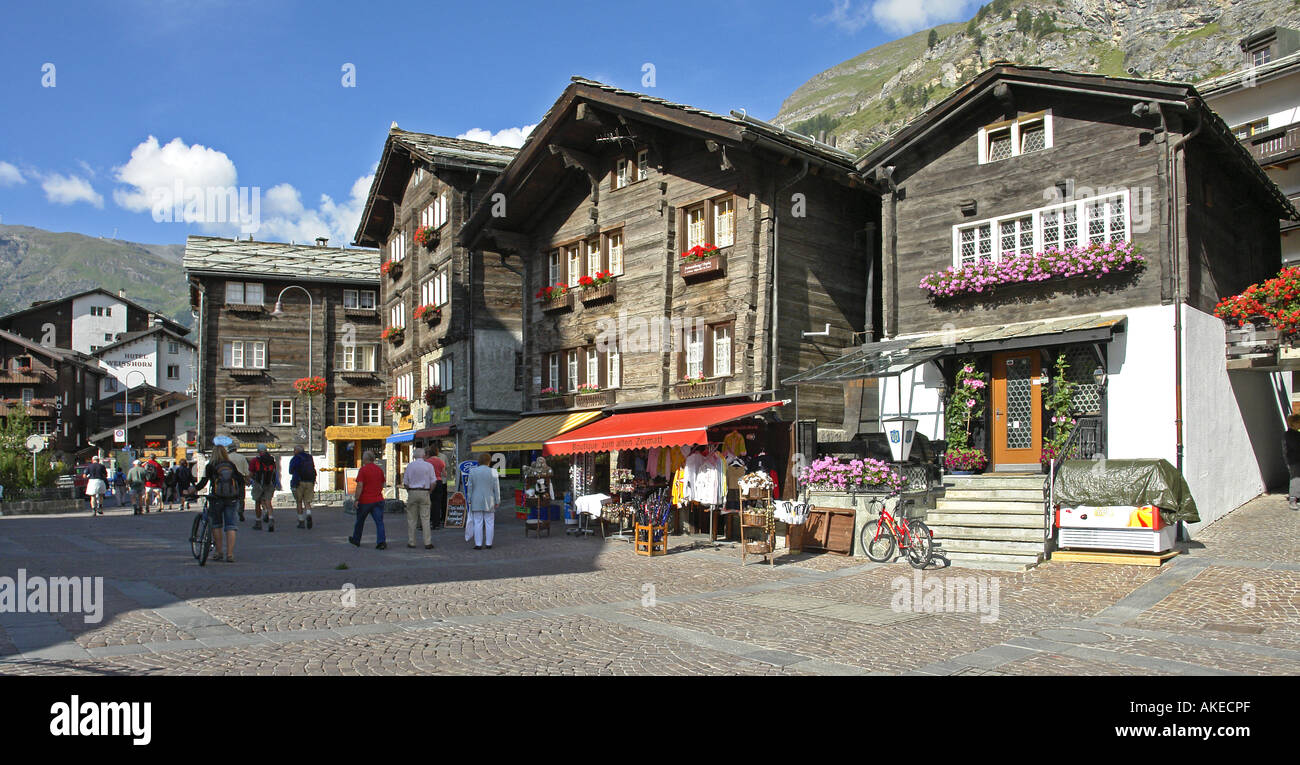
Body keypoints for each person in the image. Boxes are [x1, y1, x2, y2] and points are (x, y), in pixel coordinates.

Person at [192, 444, 244, 563]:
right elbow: (240, 480)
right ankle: (230, 554)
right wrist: (239, 497)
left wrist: (193, 489)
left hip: (216, 499)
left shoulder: (211, 466)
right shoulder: (231, 465)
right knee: (231, 526)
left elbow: (203, 482)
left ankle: (219, 552)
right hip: (231, 499)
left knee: (216, 525)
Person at [349, 450, 387, 549]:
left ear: (365, 459)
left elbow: (360, 485)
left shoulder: (363, 470)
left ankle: (356, 539)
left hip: (365, 500)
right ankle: (381, 541)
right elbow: (382, 483)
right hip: (378, 499)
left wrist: (356, 499)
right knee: (379, 522)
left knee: (360, 521)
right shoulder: (379, 470)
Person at [465, 452, 500, 550]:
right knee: (489, 522)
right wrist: (498, 500)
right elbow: (496, 488)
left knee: (478, 522)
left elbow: (470, 488)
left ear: (479, 461)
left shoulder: (472, 471)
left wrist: (469, 499)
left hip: (476, 499)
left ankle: (478, 544)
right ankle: (489, 543)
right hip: (490, 500)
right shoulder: (493, 471)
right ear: (489, 461)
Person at [404, 447, 437, 550]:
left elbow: (405, 482)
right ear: (424, 455)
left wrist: (409, 491)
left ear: (414, 456)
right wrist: (429, 491)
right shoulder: (429, 466)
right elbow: (433, 482)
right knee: (425, 518)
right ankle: (427, 542)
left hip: (413, 491)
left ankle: (411, 542)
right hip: (424, 491)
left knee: (412, 518)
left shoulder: (410, 466)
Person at [248, 444, 279, 531]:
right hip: (269, 484)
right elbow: (274, 472)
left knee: (257, 502)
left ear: (258, 451)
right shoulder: (272, 460)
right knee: (268, 502)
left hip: (258, 484)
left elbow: (251, 473)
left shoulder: (255, 460)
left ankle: (258, 522)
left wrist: (248, 480)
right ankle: (271, 517)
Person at [287, 445, 317, 529]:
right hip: (310, 482)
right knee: (307, 502)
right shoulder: (309, 458)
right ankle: (308, 513)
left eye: (294, 450)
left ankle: (301, 521)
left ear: (297, 451)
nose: (293, 451)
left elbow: (290, 471)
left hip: (299, 482)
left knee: (299, 501)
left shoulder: (295, 458)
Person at [227, 443, 250, 521]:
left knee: (230, 497)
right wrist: (247, 480)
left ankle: (230, 512)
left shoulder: (226, 458)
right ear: (236, 449)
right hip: (240, 479)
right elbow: (246, 471)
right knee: (241, 497)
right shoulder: (242, 457)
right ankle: (240, 511)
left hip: (229, 480)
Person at [426, 449, 448, 529]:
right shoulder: (441, 461)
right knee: (437, 503)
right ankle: (437, 523)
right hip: (439, 482)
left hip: (430, 482)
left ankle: (430, 521)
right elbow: (444, 474)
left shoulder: (427, 462)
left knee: (429, 502)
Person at [1286, 413, 1300, 511]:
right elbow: (1295, 448)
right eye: (1298, 422)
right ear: (1293, 423)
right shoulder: (1289, 435)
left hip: (1296, 459)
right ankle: (1292, 501)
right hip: (1294, 460)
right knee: (1295, 480)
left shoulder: (1296, 434)